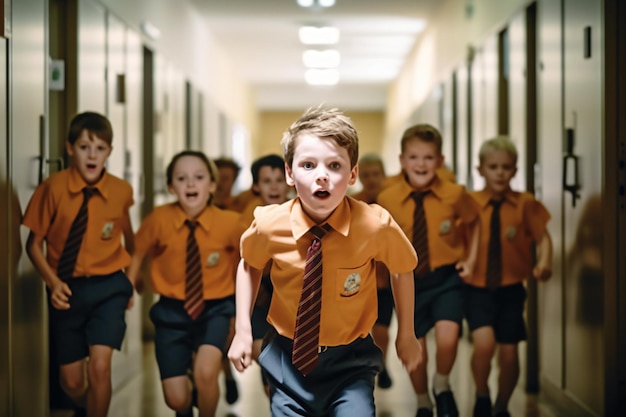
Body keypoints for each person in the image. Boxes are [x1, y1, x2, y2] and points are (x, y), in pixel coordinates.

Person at [228, 106, 423, 417]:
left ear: (353, 174)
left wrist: (407, 334)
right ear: (289, 173)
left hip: (351, 362)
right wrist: (242, 330)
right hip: (287, 358)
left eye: (334, 165)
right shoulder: (269, 224)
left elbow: (402, 268)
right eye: (308, 164)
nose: (322, 175)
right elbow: (249, 264)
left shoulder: (374, 224)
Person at [23, 112, 135, 417]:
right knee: (71, 381)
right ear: (70, 148)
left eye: (100, 148)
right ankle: (88, 409)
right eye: (85, 147)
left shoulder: (121, 191)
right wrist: (53, 283)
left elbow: (129, 240)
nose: (92, 155)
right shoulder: (53, 188)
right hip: (66, 288)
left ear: (109, 152)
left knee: (100, 367)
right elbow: (33, 244)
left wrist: (129, 283)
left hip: (109, 287)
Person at [126, 150, 245, 417]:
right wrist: (129, 283)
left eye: (199, 177)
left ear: (212, 185)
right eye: (182, 178)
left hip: (216, 309)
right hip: (171, 311)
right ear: (171, 186)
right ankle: (184, 406)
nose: (190, 184)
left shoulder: (230, 223)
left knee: (206, 372)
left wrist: (241, 310)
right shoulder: (159, 219)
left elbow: (247, 264)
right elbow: (137, 251)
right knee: (176, 399)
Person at [378, 123, 480, 417]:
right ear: (401, 161)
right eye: (413, 157)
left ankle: (442, 383)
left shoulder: (455, 194)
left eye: (428, 157)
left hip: (446, 277)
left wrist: (470, 259)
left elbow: (474, 223)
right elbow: (379, 238)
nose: (420, 164)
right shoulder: (387, 199)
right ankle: (423, 401)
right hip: (407, 282)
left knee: (449, 337)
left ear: (440, 161)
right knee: (416, 350)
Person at [464, 137, 552, 417]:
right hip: (476, 288)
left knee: (510, 353)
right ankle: (481, 393)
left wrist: (544, 262)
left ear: (515, 171)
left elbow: (544, 238)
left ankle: (501, 405)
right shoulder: (469, 202)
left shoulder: (525, 204)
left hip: (511, 289)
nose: (500, 172)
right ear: (480, 170)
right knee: (484, 344)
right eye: (493, 167)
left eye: (506, 167)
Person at [240, 153, 291, 396]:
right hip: (260, 292)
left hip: (293, 293)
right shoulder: (247, 218)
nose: (273, 186)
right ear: (255, 186)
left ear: (290, 181)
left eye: (279, 180)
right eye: (267, 180)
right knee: (265, 352)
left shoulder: (302, 213)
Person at [350, 153, 395, 389]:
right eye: (366, 175)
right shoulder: (354, 204)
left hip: (391, 276)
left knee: (383, 329)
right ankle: (369, 367)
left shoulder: (394, 201)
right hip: (364, 278)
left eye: (376, 174)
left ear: (383, 175)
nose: (372, 179)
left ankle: (383, 364)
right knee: (366, 329)